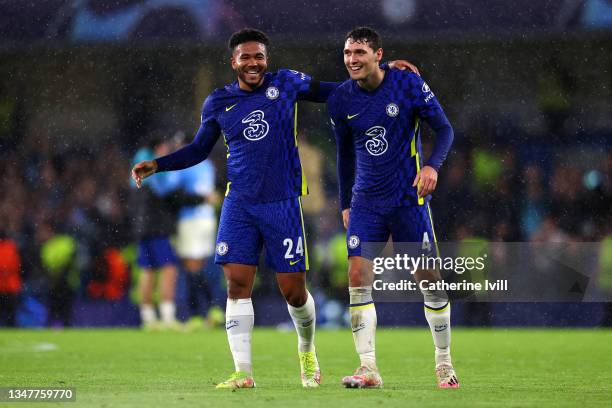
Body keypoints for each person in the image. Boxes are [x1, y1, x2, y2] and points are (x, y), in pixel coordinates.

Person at [132, 28, 418, 389]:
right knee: (237, 284)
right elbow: (198, 150)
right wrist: (158, 164)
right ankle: (243, 372)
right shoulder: (218, 102)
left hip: (282, 203)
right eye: (245, 57)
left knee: (293, 291)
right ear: (233, 61)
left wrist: (383, 68)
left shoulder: (286, 83)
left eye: (259, 56)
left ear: (267, 59)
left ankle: (306, 348)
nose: (253, 63)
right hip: (239, 204)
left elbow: (337, 91)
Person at [327, 27, 457, 389]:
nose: (352, 59)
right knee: (357, 279)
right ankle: (367, 368)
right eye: (347, 53)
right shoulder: (341, 99)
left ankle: (444, 362)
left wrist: (432, 166)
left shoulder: (408, 85)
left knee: (429, 279)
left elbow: (444, 129)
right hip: (366, 202)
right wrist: (344, 203)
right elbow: (343, 155)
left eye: (360, 53)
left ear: (378, 54)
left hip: (407, 200)